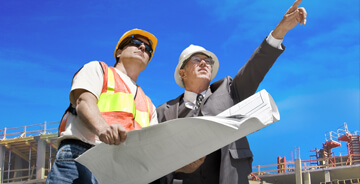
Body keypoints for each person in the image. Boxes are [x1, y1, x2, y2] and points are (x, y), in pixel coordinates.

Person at [155, 0, 307, 184]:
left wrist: (280, 31)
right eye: (197, 59)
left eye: (208, 60)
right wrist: (178, 166)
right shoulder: (163, 112)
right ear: (182, 72)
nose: (204, 63)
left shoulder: (230, 91)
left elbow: (255, 67)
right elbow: (152, 161)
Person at [46, 28, 159, 184]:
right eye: (136, 43)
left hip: (122, 171)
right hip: (82, 155)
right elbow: (84, 101)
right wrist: (103, 128)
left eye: (148, 50)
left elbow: (150, 144)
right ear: (118, 52)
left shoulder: (149, 104)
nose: (142, 48)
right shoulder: (99, 69)